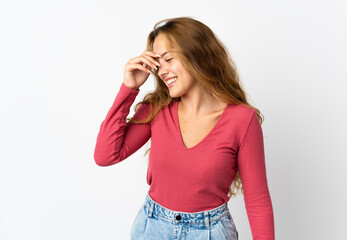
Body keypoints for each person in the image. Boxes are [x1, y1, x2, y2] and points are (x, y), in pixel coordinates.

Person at [93, 16, 275, 240]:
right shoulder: (157, 109)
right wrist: (128, 88)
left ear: (197, 54)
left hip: (210, 232)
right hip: (152, 228)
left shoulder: (242, 120)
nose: (162, 71)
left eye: (169, 59)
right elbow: (105, 155)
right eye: (159, 65)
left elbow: (257, 200)